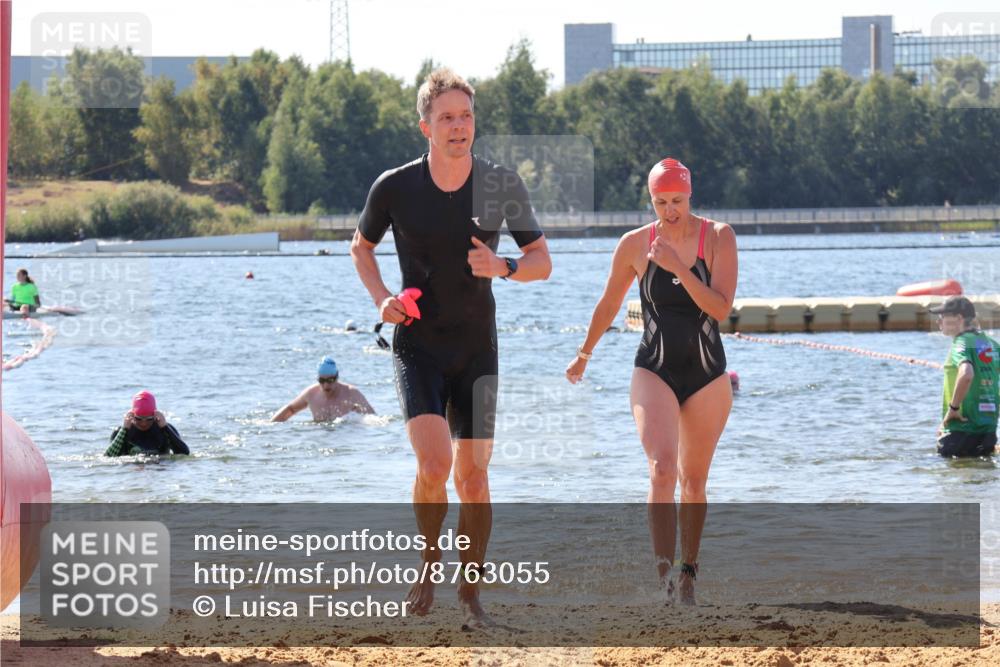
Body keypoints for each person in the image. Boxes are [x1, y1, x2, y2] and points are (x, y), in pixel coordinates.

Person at [350, 68, 551, 627]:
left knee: (475, 479)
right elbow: (359, 249)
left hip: (476, 349)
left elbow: (542, 261)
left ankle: (471, 596)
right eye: (446, 118)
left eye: (465, 116)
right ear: (426, 127)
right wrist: (380, 298)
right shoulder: (394, 188)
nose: (458, 126)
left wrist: (503, 266)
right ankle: (428, 558)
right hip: (417, 345)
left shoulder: (500, 184)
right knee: (435, 465)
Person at [566, 157, 737, 605]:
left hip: (707, 375)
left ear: (690, 196)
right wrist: (584, 355)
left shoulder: (718, 237)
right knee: (662, 469)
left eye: (677, 201)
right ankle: (662, 579)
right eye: (661, 202)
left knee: (693, 482)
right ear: (651, 200)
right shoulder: (634, 244)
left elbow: (720, 309)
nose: (670, 210)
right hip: (654, 368)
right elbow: (607, 305)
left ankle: (688, 577)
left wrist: (679, 268)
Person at [932, 296, 999, 457]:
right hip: (988, 430)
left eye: (942, 317)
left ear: (959, 318)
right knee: (981, 477)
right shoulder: (990, 343)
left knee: (950, 476)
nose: (938, 322)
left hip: (961, 428)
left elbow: (967, 374)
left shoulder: (961, 342)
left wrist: (953, 409)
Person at [270, 356, 375, 422]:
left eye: (330, 380)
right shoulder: (311, 394)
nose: (326, 385)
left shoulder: (351, 393)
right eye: (322, 381)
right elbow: (291, 409)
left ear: (337, 377)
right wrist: (270, 425)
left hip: (344, 437)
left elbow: (374, 417)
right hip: (320, 436)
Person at [105, 391, 190, 457]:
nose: (143, 423)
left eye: (149, 419)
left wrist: (165, 427)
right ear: (132, 415)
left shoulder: (165, 429)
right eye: (138, 418)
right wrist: (124, 430)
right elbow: (108, 457)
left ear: (154, 415)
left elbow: (184, 453)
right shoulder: (121, 432)